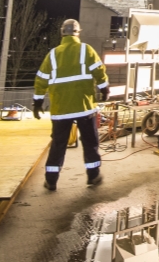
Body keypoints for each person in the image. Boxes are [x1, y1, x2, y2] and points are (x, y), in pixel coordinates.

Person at [33, 18, 110, 191]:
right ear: (78, 32)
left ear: (62, 33)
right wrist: (105, 89)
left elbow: (41, 80)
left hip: (61, 109)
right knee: (90, 142)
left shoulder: (52, 54)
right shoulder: (86, 50)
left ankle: (51, 180)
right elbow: (99, 71)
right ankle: (93, 176)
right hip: (84, 106)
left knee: (58, 144)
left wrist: (37, 102)